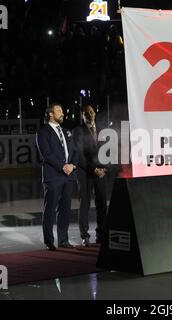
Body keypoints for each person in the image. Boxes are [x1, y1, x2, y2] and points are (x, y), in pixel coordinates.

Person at [36, 102, 78, 250]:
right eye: (59, 110)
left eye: (62, 110)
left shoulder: (66, 131)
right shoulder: (43, 132)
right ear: (50, 114)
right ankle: (49, 241)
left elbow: (74, 151)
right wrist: (62, 166)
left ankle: (63, 240)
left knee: (65, 209)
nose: (63, 113)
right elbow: (47, 154)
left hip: (68, 176)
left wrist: (72, 165)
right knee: (50, 209)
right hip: (53, 176)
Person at [72, 105, 107, 245]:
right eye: (86, 113)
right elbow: (79, 155)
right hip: (85, 171)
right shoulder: (77, 131)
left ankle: (101, 234)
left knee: (102, 203)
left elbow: (107, 152)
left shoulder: (103, 130)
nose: (89, 114)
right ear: (82, 115)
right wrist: (94, 168)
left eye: (91, 112)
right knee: (85, 203)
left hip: (100, 171)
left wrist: (104, 168)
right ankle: (84, 235)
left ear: (95, 113)